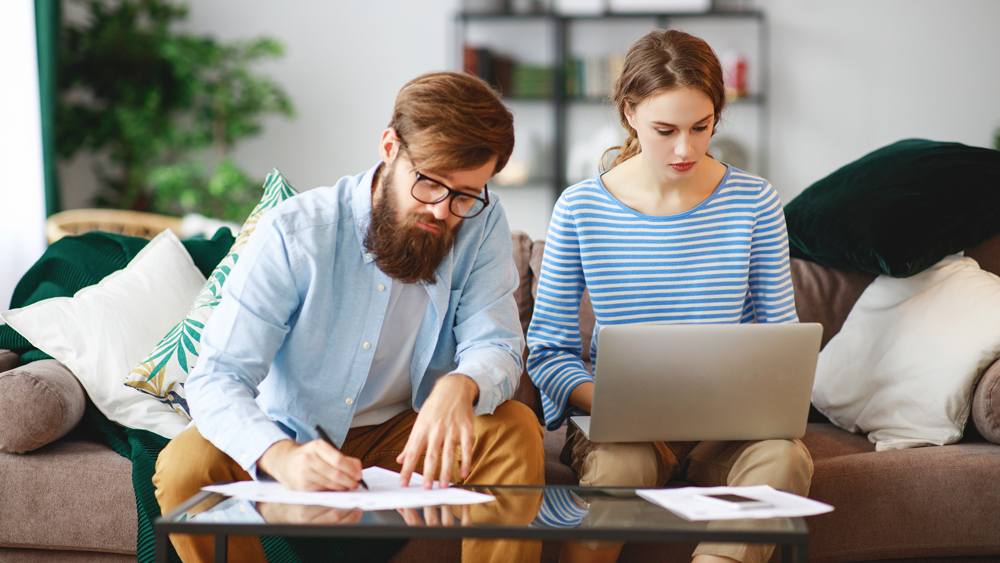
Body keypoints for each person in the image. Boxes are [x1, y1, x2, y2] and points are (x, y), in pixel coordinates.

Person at [153, 71, 545, 563]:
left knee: (515, 430)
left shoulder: (481, 222)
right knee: (185, 467)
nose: (444, 211)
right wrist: (280, 457)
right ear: (389, 147)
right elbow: (216, 377)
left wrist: (462, 384)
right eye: (429, 183)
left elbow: (499, 344)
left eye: (465, 194)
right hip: (296, 430)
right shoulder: (296, 232)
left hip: (411, 430)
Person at [526, 30, 812, 563]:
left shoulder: (756, 201)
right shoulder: (580, 208)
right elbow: (547, 353)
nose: (686, 148)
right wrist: (617, 404)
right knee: (620, 466)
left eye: (701, 128)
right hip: (623, 432)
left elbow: (781, 342)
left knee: (786, 459)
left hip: (726, 432)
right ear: (629, 112)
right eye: (666, 129)